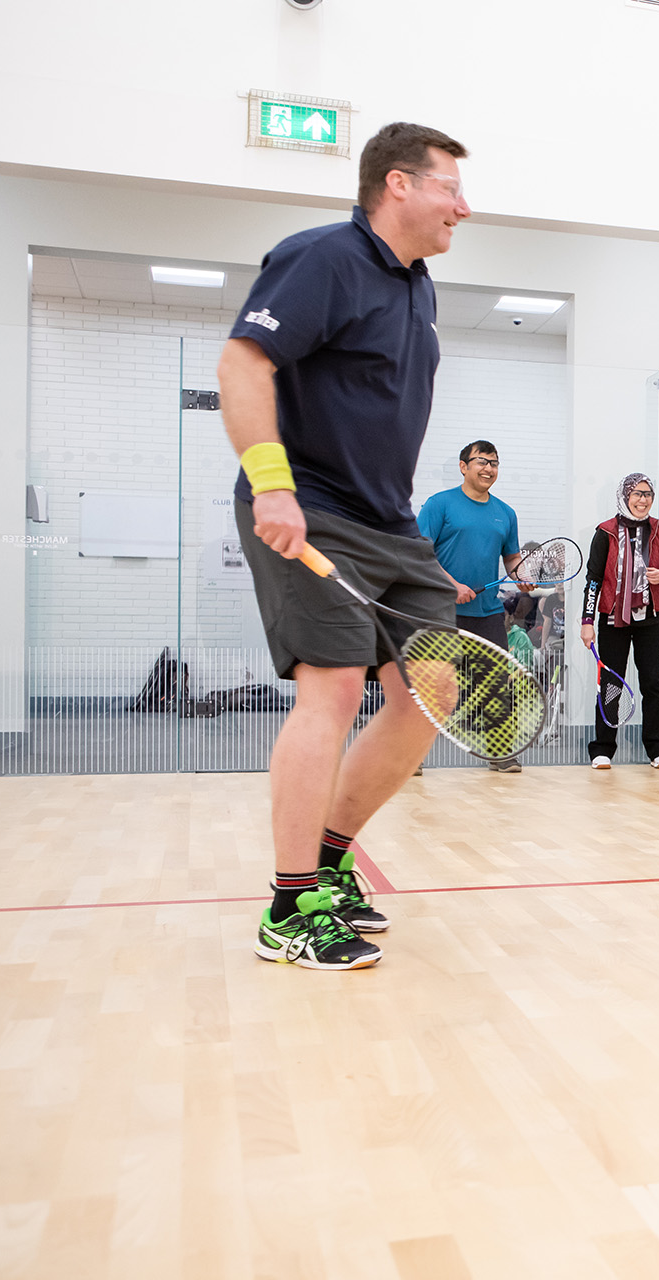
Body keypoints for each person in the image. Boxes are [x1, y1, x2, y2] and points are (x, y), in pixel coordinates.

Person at [218, 121, 472, 970]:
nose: (461, 208)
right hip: (310, 504)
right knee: (329, 690)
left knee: (430, 687)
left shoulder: (419, 285)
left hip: (387, 521)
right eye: (449, 188)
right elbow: (243, 363)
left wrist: (414, 546)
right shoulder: (322, 257)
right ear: (397, 184)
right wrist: (273, 483)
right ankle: (291, 907)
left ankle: (330, 860)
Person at [417, 440, 528, 772]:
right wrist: (451, 585)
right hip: (440, 610)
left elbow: (511, 557)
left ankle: (500, 753)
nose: (488, 468)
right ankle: (411, 756)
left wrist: (521, 575)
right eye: (481, 461)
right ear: (463, 466)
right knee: (434, 685)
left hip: (486, 611)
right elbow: (419, 553)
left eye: (494, 463)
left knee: (495, 681)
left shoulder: (505, 513)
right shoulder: (439, 505)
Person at [581, 472, 659, 769]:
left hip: (651, 619)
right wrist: (587, 620)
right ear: (624, 496)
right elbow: (594, 580)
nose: (642, 500)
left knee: (652, 683)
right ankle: (602, 750)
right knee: (611, 683)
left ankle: (658, 749)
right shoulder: (605, 532)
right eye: (636, 493)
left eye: (648, 494)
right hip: (612, 620)